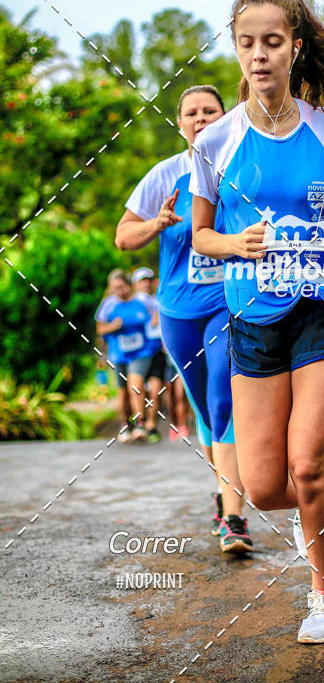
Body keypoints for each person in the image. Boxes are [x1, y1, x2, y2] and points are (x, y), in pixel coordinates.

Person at [189, 0, 324, 644]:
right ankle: (315, 514)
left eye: (273, 41)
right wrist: (233, 244)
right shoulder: (216, 140)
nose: (259, 55)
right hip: (255, 320)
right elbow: (200, 235)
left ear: (296, 47)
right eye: (247, 43)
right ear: (236, 50)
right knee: (268, 488)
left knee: (308, 469)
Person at [115, 85, 252, 554]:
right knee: (202, 408)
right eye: (191, 113)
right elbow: (123, 238)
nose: (200, 118)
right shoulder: (164, 175)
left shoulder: (240, 165)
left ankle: (234, 519)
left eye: (209, 111)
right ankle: (223, 491)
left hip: (228, 303)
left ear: (225, 116)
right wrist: (157, 223)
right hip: (177, 313)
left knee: (222, 398)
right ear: (179, 123)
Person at [95, 269, 158, 442]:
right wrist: (113, 326)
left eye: (122, 286)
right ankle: (126, 424)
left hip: (142, 351)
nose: (119, 291)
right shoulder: (108, 304)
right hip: (119, 353)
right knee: (122, 392)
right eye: (115, 288)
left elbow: (158, 313)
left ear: (128, 285)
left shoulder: (141, 301)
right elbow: (100, 328)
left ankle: (140, 423)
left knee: (135, 384)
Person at [131, 267, 166, 442]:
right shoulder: (133, 302)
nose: (146, 283)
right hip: (139, 352)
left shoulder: (159, 299)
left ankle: (152, 426)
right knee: (137, 389)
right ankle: (140, 423)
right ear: (135, 284)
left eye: (149, 279)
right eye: (142, 280)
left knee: (155, 390)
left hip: (157, 349)